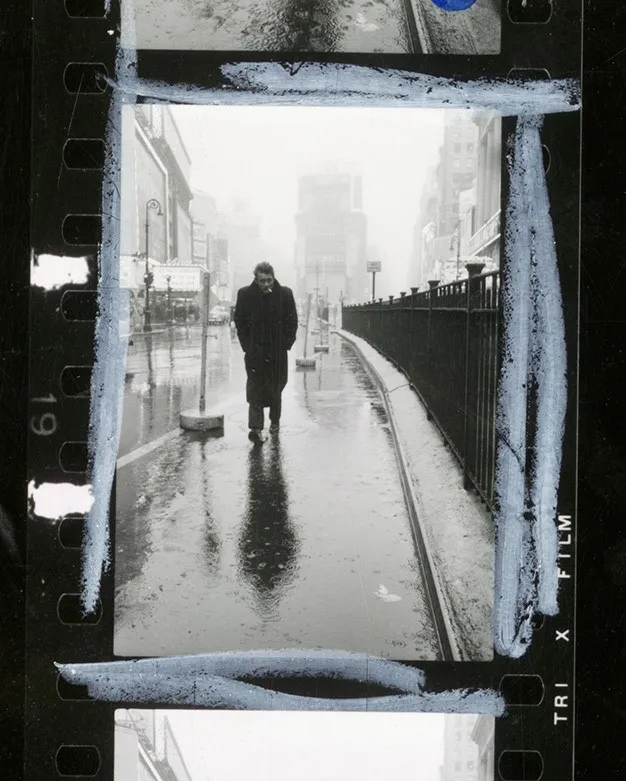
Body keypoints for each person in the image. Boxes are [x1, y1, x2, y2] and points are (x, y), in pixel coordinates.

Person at [234, 262, 298, 442]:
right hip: (255, 353)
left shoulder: (285, 294)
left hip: (278, 353)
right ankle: (255, 428)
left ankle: (275, 422)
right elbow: (239, 321)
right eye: (262, 281)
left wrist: (287, 343)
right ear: (256, 279)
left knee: (276, 388)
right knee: (254, 389)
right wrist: (247, 345)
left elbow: (292, 320)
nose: (266, 285)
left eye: (269, 280)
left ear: (273, 277)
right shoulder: (245, 294)